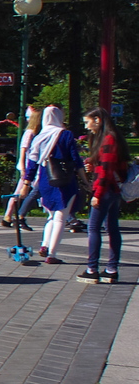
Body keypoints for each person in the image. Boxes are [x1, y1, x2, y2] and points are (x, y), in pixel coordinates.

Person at [81, 107, 129, 283]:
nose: (87, 127)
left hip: (106, 190)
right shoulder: (112, 137)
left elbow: (106, 171)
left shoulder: (108, 138)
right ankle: (111, 269)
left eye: (88, 122)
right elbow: (111, 166)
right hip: (114, 191)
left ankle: (92, 269)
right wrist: (93, 165)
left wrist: (97, 194)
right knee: (112, 229)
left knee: (93, 228)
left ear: (97, 120)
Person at [29, 105, 82, 264]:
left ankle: (45, 245)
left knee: (51, 216)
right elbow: (75, 159)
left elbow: (32, 162)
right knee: (61, 217)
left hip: (46, 179)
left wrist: (27, 181)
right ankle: (52, 254)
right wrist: (85, 179)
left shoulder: (40, 136)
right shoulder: (65, 135)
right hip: (65, 179)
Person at [2, 106, 40, 230]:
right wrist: (23, 167)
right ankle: (13, 216)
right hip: (29, 167)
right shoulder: (30, 133)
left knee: (19, 192)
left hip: (31, 166)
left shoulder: (35, 132)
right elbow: (23, 150)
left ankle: (8, 216)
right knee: (27, 192)